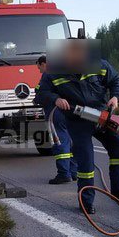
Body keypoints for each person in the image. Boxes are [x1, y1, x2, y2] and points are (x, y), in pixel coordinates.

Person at [35, 42, 119, 215]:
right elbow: (41, 93)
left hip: (102, 116)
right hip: (77, 119)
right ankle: (86, 202)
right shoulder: (53, 71)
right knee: (86, 161)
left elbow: (117, 81)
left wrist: (115, 97)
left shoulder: (100, 65)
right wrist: (55, 98)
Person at [35, 55, 77, 184]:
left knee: (60, 141)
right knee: (71, 140)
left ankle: (64, 174)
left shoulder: (48, 74)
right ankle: (74, 172)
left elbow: (41, 94)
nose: (38, 69)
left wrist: (37, 99)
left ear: (44, 64)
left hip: (56, 112)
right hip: (73, 111)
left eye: (38, 66)